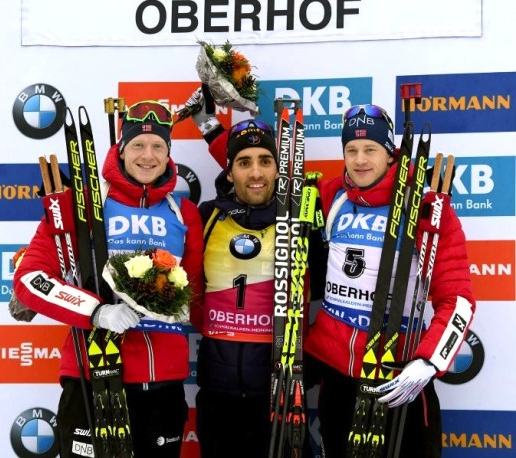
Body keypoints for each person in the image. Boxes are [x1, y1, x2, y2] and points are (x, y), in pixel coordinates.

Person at [13, 100, 204, 458]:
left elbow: (196, 291)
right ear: (120, 148)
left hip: (162, 385)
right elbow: (31, 278)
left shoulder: (184, 214)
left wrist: (177, 308)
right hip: (93, 377)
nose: (148, 156)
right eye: (138, 145)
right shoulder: (84, 204)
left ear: (168, 154)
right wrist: (97, 312)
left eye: (158, 146)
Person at [303, 104, 476, 457]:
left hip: (400, 377)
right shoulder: (330, 195)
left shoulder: (426, 207)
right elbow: (259, 183)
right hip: (339, 377)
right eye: (351, 150)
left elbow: (457, 299)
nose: (360, 159)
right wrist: (216, 132)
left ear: (390, 152)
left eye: (371, 149)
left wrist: (429, 361)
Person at [185, 87, 316, 458]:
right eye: (244, 163)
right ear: (229, 170)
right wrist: (209, 126)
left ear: (280, 167)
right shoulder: (206, 216)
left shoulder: (302, 215)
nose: (256, 172)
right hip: (217, 392)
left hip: (280, 392)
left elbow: (367, 181)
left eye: (265, 161)